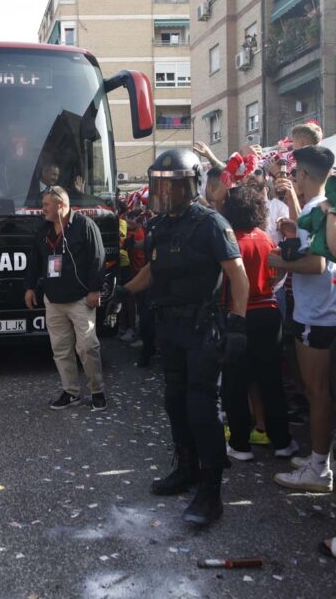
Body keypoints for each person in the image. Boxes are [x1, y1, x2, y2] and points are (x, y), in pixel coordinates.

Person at [119, 148, 249, 525]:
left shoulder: (210, 223)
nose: (166, 192)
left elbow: (237, 276)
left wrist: (237, 325)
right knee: (174, 403)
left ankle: (211, 492)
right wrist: (124, 292)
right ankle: (186, 468)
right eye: (160, 184)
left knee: (201, 408)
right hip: (169, 328)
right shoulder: (159, 225)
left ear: (190, 184)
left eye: (173, 185)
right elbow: (153, 274)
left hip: (201, 330)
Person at [270, 146, 336, 494]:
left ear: (302, 176)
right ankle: (323, 457)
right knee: (331, 388)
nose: (291, 179)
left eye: (293, 174)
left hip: (316, 313)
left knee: (315, 391)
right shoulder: (331, 206)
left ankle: (319, 469)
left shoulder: (311, 210)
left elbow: (315, 265)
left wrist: (279, 264)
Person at [220, 187, 295, 462]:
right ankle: (282, 441)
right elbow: (279, 272)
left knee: (236, 383)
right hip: (269, 313)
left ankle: (240, 444)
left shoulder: (230, 242)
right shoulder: (265, 238)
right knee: (271, 381)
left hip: (239, 314)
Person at [24, 186, 107, 411]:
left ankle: (97, 390)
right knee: (61, 349)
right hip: (54, 300)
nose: (42, 210)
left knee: (87, 346)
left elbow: (98, 259)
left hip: (81, 299)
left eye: (46, 205)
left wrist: (94, 290)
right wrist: (30, 287)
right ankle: (71, 392)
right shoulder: (43, 231)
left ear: (60, 205)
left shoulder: (84, 226)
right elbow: (34, 261)